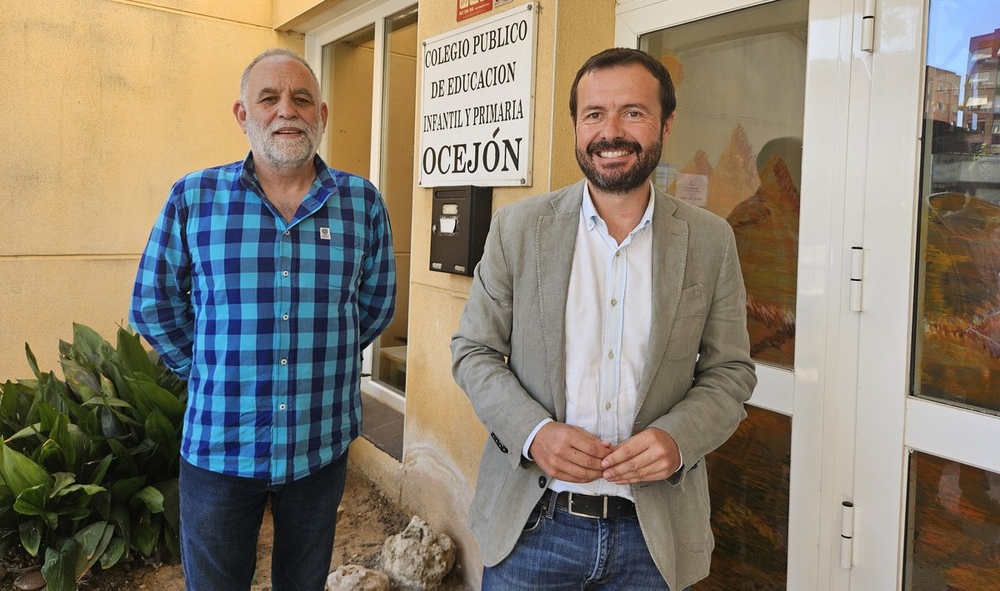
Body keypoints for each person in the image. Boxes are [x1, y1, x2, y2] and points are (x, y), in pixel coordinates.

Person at [450, 47, 757, 590]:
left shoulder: (710, 242)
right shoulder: (518, 230)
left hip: (652, 534)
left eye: (632, 113)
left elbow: (730, 373)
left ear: (666, 123)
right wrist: (533, 432)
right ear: (575, 125)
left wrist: (678, 438)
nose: (610, 132)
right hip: (532, 525)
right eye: (594, 114)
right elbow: (473, 351)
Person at [130, 48, 396, 591]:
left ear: (321, 116)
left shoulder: (361, 204)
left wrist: (321, 353)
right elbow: (154, 303)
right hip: (219, 444)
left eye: (302, 99)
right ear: (242, 115)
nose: (286, 111)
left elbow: (374, 306)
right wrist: (209, 366)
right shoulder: (195, 197)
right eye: (268, 99)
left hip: (318, 444)